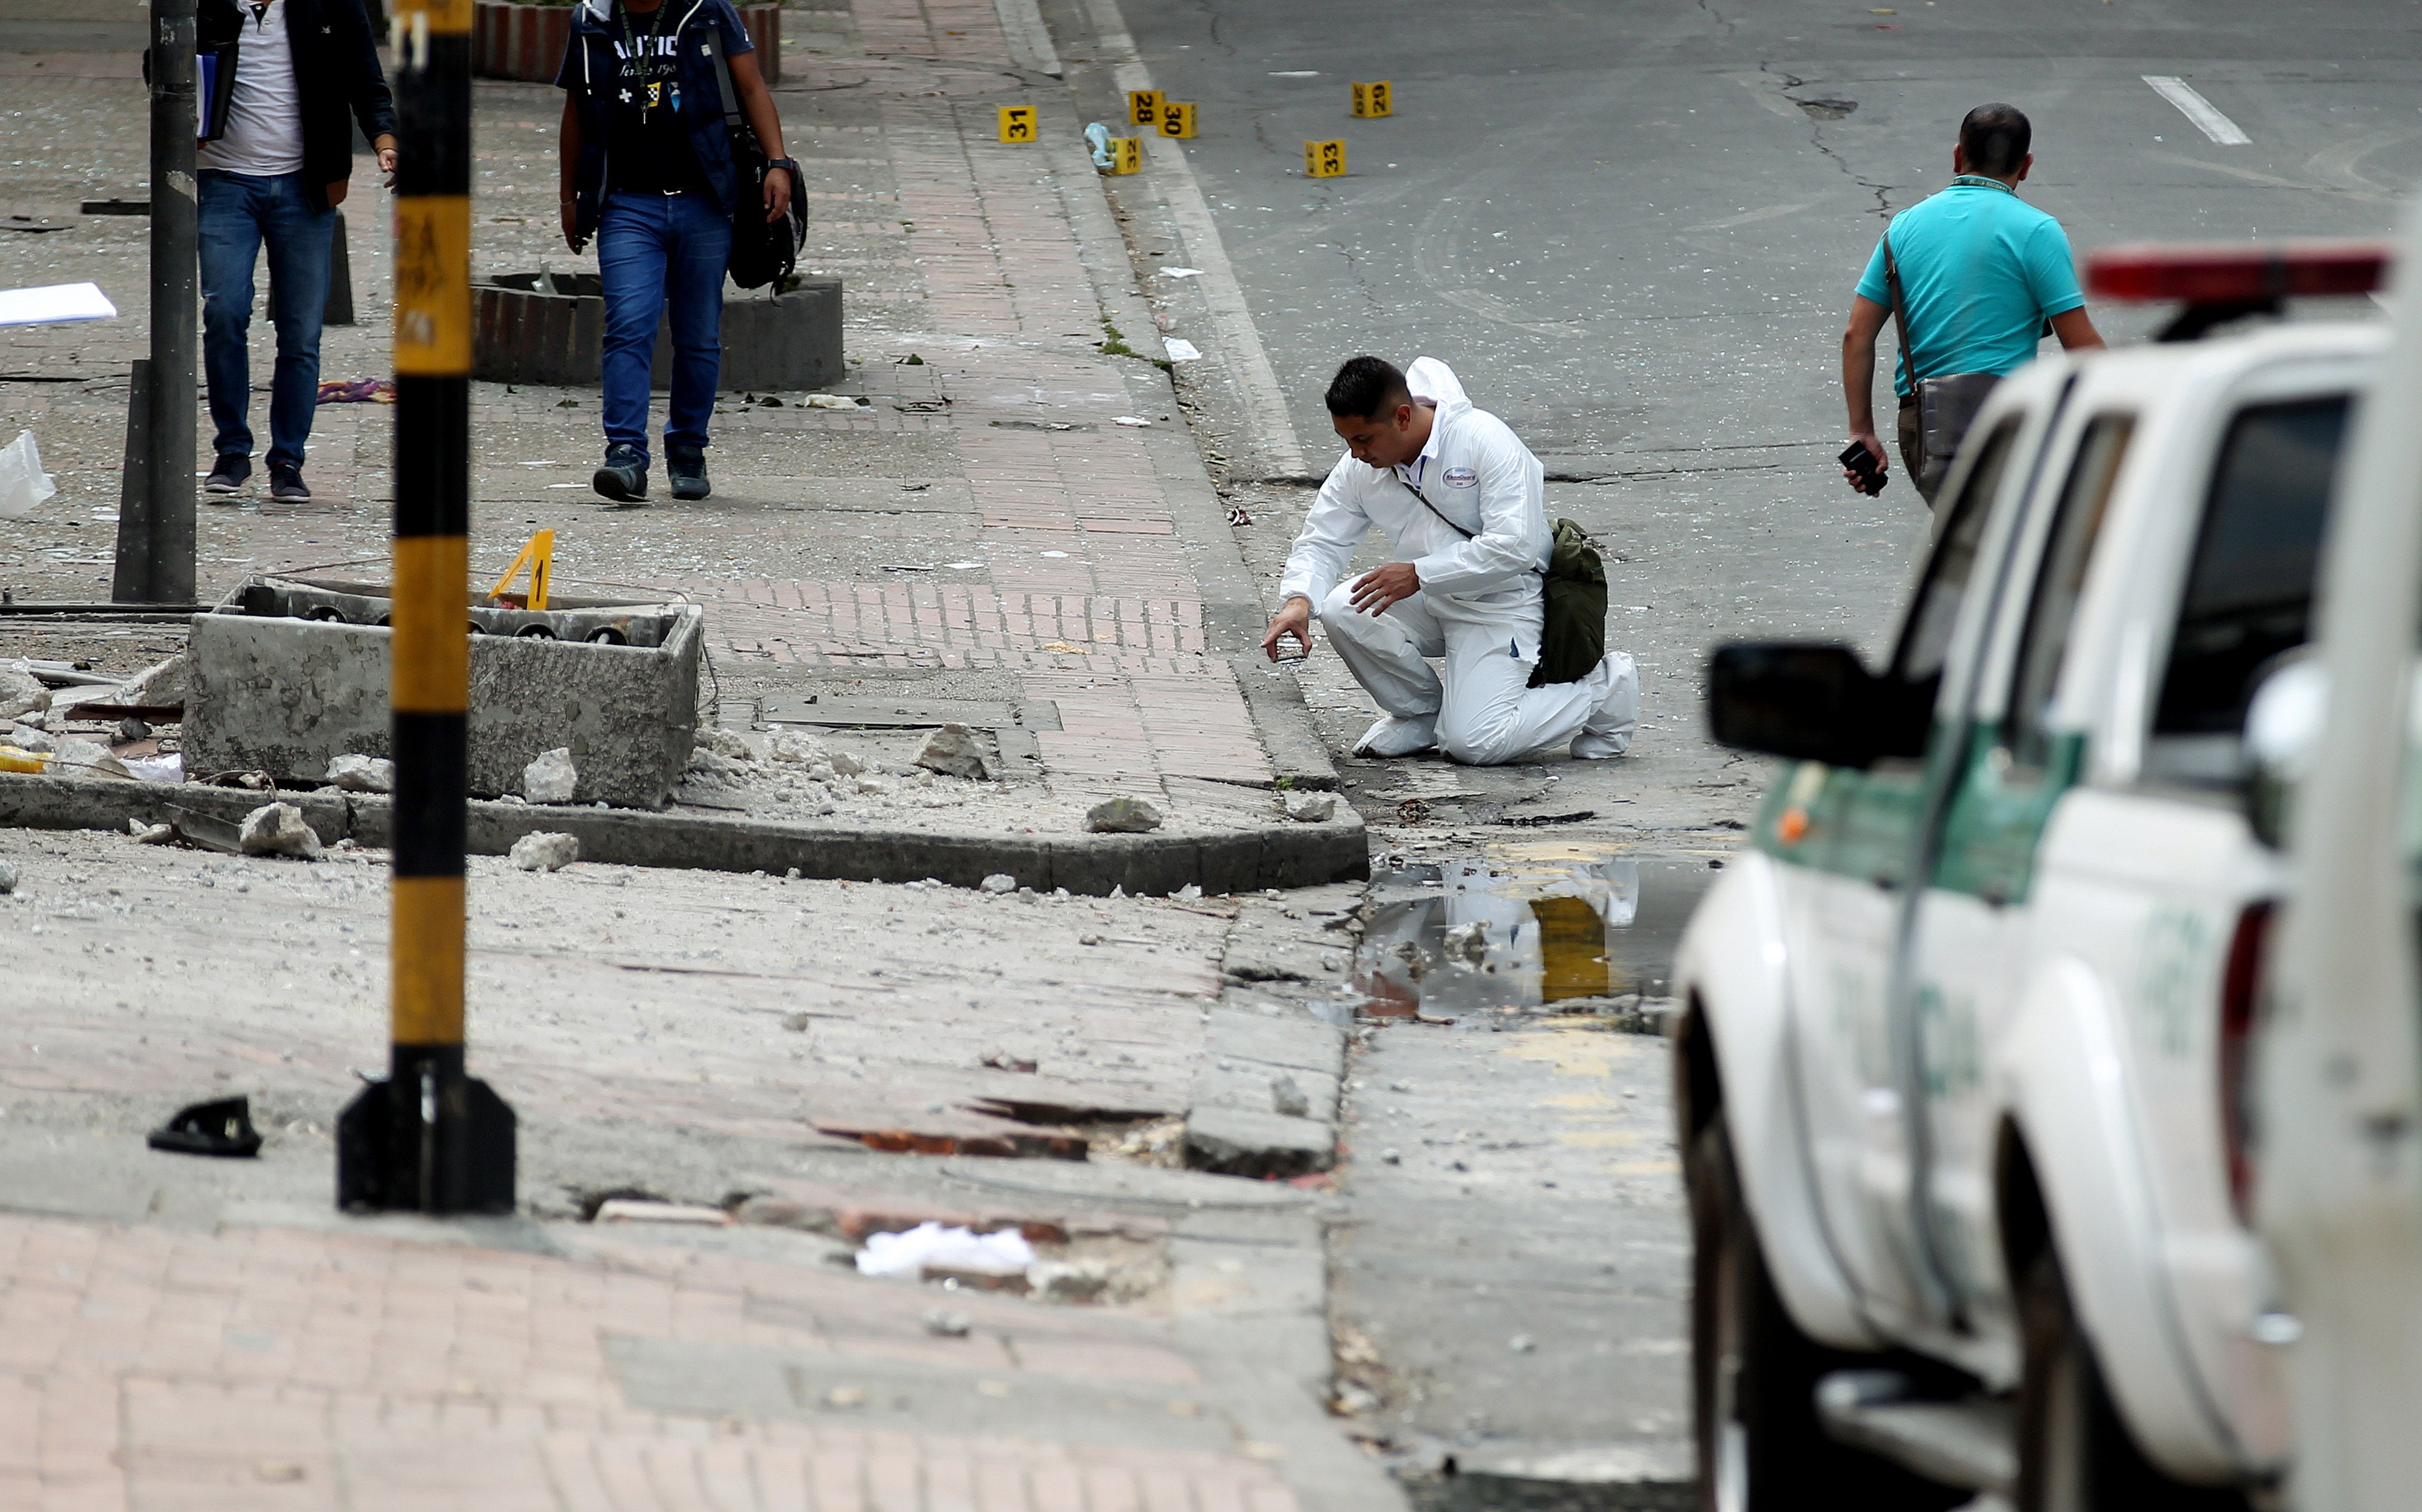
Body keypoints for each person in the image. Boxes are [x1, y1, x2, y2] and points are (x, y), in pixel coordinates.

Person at [1259, 356, 1639, 765]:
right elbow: (1324, 536)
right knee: (1341, 608)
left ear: (1403, 417)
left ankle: (1604, 689)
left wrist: (1422, 574)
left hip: (1502, 603)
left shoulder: (1483, 439)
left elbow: (1516, 545)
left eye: (1364, 439)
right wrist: (1299, 599)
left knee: (1475, 744)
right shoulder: (1361, 467)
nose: (1355, 454)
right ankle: (1420, 714)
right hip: (1430, 596)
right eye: (1347, 441)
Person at [557, 0, 794, 504]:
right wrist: (568, 196)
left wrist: (778, 163)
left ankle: (688, 448)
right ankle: (625, 455)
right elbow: (576, 107)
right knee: (629, 325)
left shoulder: (709, 13)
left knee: (699, 336)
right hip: (626, 204)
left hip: (704, 201)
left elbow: (752, 86)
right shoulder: (592, 19)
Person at [1840, 103, 2104, 501]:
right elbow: (2082, 348)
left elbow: (1856, 336)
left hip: (1924, 425)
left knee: (1966, 535)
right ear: (2027, 165)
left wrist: (1862, 432)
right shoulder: (2037, 231)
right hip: (2008, 422)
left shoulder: (1904, 229)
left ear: (1958, 157)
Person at [197, 0, 397, 504]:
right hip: (225, 182)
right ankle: (232, 451)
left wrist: (384, 138)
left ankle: (288, 459)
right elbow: (160, 70)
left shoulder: (330, 5)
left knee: (302, 332)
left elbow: (365, 78)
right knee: (223, 310)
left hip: (305, 187)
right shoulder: (207, 4)